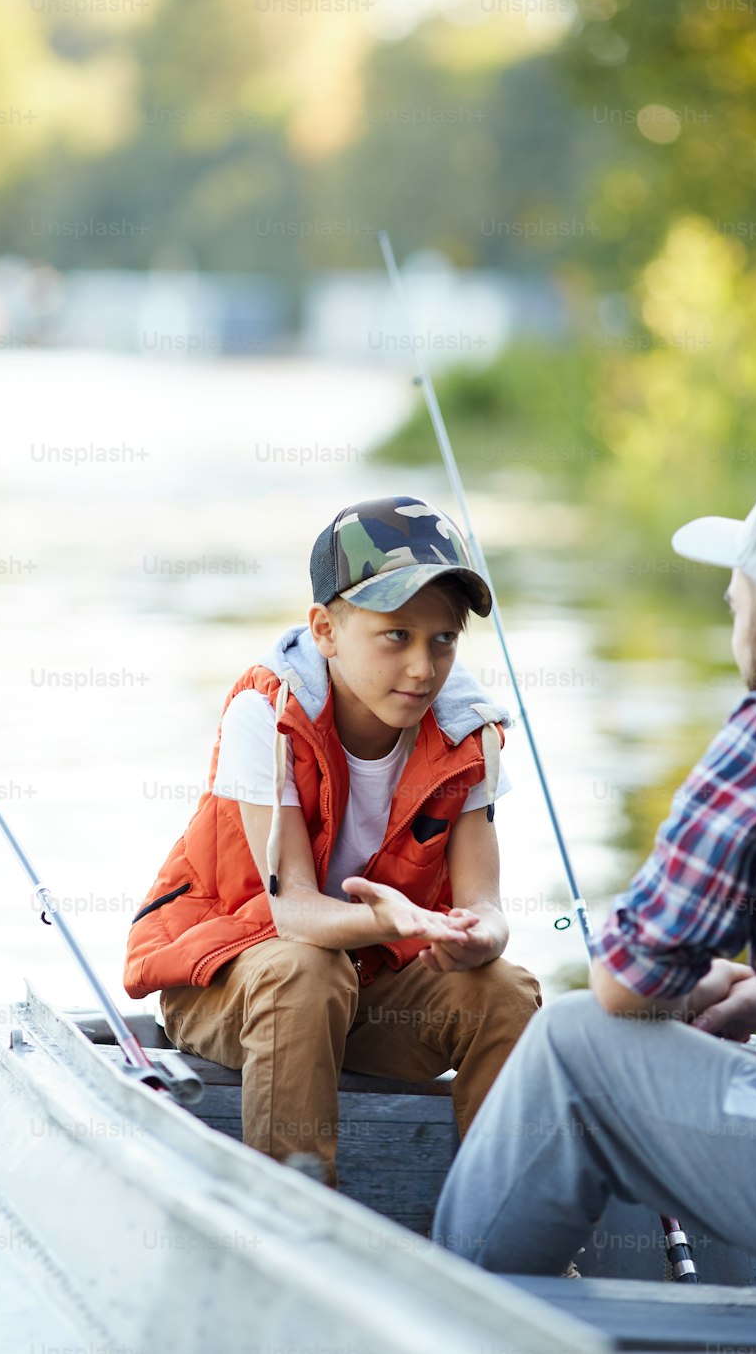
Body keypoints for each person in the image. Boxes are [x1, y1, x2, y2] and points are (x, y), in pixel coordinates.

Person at [434, 464, 756, 1312]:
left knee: (570, 1040)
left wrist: (697, 984)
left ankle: (442, 1320)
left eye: (736, 598)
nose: (735, 616)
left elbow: (626, 983)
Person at [124, 496, 543, 1186]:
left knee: (506, 989)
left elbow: (487, 907)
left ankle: (504, 1238)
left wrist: (478, 937)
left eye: (443, 639)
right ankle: (294, 1219)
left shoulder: (471, 737)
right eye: (395, 636)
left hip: (372, 995)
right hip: (231, 984)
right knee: (307, 968)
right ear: (324, 629)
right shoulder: (268, 714)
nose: (422, 667)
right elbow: (293, 914)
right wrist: (386, 919)